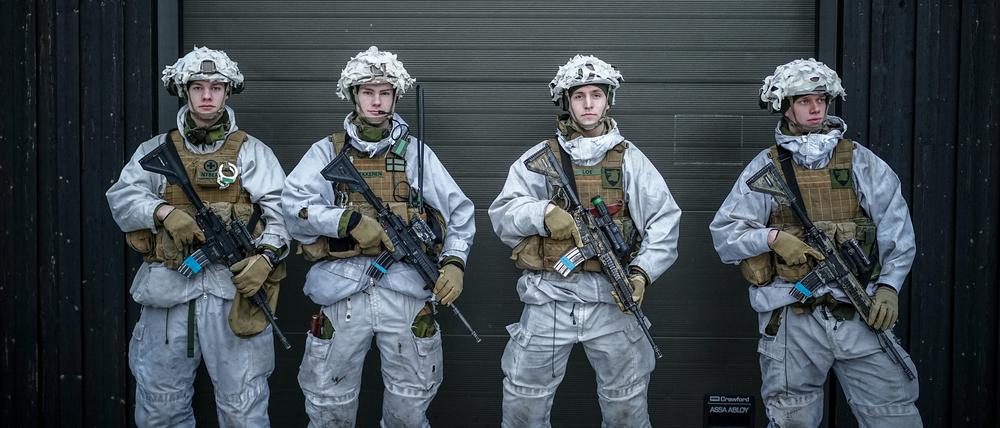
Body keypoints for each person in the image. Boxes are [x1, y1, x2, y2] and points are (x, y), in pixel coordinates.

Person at [709, 58, 921, 427]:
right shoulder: (766, 168)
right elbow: (725, 235)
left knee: (893, 414)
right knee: (792, 417)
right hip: (793, 316)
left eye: (821, 99)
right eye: (804, 100)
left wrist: (889, 286)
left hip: (858, 310)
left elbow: (897, 229)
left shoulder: (859, 162)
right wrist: (772, 238)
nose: (815, 108)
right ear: (785, 106)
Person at [283, 46, 476, 427]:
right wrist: (345, 221)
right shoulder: (327, 152)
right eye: (368, 92)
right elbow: (293, 208)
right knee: (328, 405)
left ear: (395, 97)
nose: (376, 101)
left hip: (405, 293)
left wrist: (454, 262)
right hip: (341, 295)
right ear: (353, 95)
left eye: (385, 93)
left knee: (409, 407)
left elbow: (459, 213)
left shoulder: (415, 154)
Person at [488, 54, 681, 427]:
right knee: (524, 402)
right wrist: (543, 213)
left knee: (626, 404)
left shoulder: (629, 159)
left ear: (608, 100)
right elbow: (503, 214)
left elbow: (664, 220)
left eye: (596, 95)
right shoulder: (540, 159)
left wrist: (641, 273)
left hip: (611, 299)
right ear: (566, 102)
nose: (588, 104)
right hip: (549, 297)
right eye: (579, 96)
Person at [106, 46, 289, 427]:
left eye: (216, 87)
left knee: (244, 407)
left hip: (233, 296)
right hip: (169, 295)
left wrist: (266, 257)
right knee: (161, 407)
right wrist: (163, 212)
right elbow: (121, 198)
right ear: (184, 91)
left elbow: (283, 214)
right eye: (198, 87)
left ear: (228, 92)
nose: (207, 96)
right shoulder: (155, 151)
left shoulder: (252, 153)